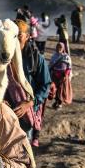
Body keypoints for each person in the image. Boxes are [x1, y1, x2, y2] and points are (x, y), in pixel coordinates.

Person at [10, 19, 51, 148]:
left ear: (27, 36)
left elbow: (45, 85)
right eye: (12, 35)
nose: (15, 39)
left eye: (19, 35)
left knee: (23, 149)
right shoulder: (4, 57)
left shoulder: (36, 59)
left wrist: (29, 104)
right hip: (6, 112)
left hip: (26, 113)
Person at [49, 42, 73, 109]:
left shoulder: (66, 57)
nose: (58, 49)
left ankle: (59, 103)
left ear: (63, 48)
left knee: (61, 90)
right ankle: (56, 101)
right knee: (55, 90)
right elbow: (50, 66)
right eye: (57, 47)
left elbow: (69, 67)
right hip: (55, 76)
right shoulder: (54, 56)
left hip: (63, 77)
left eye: (60, 47)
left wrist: (65, 74)